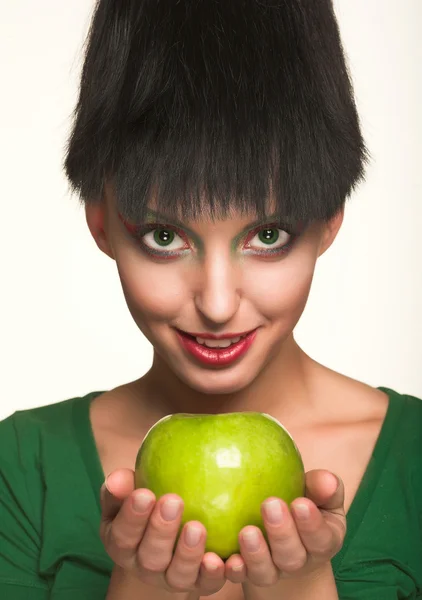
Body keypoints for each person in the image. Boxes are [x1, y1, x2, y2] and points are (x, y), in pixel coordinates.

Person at [0, 0, 421, 599]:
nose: (219, 304)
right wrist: (143, 584)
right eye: (164, 237)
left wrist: (297, 585)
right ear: (101, 224)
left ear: (329, 221)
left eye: (268, 235)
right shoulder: (21, 472)